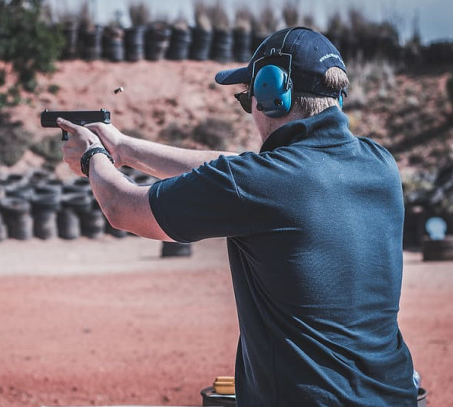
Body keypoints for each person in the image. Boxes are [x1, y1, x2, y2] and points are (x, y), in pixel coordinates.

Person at [56, 27, 416, 407]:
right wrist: (126, 149)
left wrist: (90, 156)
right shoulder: (380, 165)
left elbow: (122, 207)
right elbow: (239, 171)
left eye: (249, 99)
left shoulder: (261, 183)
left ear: (271, 93)